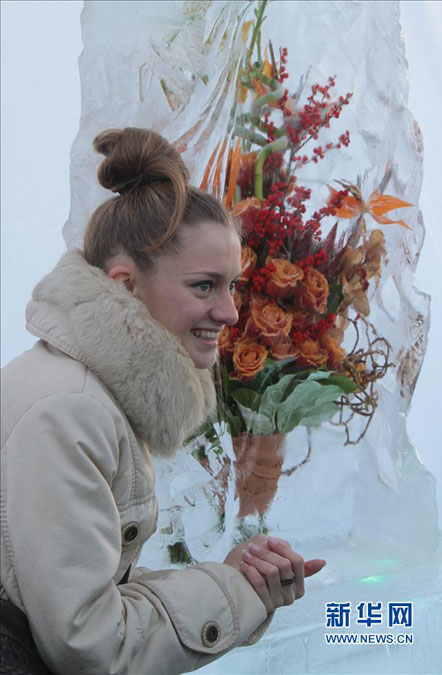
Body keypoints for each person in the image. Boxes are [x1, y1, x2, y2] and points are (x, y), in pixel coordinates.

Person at [0, 127, 326, 675]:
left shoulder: (87, 391)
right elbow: (88, 646)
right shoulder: (69, 412)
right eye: (204, 286)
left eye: (231, 286)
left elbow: (76, 600)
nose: (227, 313)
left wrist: (234, 582)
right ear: (125, 286)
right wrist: (234, 591)